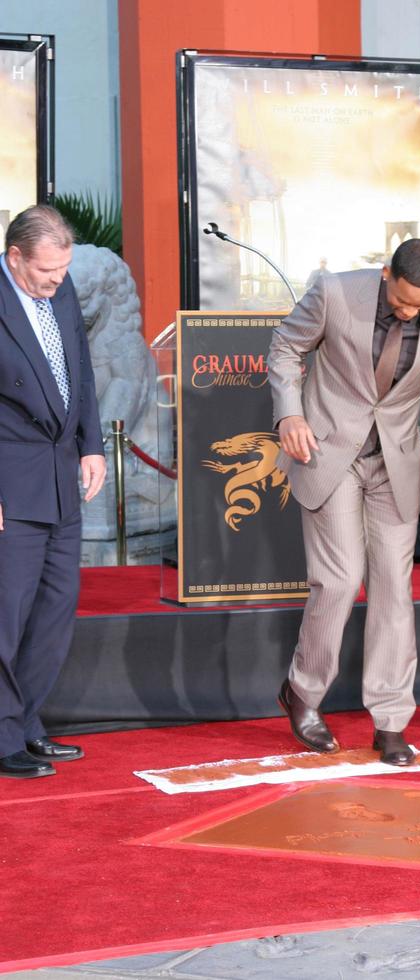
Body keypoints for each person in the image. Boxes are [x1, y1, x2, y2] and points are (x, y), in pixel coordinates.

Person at [267, 238, 420, 766]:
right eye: (404, 303)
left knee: (393, 589)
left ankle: (390, 721)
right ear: (387, 274)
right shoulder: (336, 293)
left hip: (397, 462)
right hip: (329, 451)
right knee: (338, 581)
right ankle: (304, 691)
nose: (410, 314)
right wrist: (289, 414)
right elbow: (286, 347)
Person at [0, 204, 106, 779]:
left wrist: (92, 445)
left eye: (62, 270)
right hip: (10, 480)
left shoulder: (61, 292)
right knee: (5, 615)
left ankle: (25, 722)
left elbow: (81, 371)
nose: (56, 281)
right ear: (15, 256)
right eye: (46, 272)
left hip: (62, 476)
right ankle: (2, 733)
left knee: (54, 611)